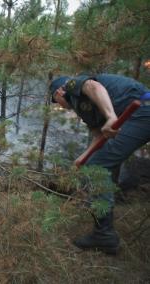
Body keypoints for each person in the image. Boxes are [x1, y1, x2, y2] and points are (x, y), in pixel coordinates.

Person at [49, 73, 150, 255]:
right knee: (97, 164)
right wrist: (83, 158)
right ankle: (103, 229)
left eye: (57, 102)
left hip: (143, 110)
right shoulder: (84, 109)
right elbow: (99, 135)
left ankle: (104, 235)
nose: (61, 107)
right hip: (140, 116)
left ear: (58, 92)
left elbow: (93, 86)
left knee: (98, 168)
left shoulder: (72, 86)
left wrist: (111, 116)